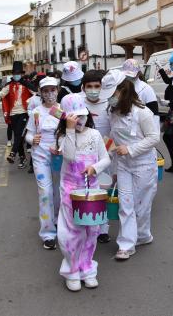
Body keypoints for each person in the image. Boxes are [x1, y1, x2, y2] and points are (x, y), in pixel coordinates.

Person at [56, 93, 111, 292]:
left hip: (92, 190)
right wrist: (70, 130)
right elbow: (70, 157)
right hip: (71, 191)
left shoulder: (95, 135)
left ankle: (87, 268)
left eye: (83, 115)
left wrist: (95, 168)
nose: (80, 120)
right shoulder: (64, 136)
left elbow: (106, 159)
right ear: (67, 118)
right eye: (75, 117)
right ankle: (71, 270)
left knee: (92, 230)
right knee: (72, 232)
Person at [105, 72, 160, 261]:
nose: (109, 98)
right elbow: (112, 139)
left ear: (122, 91)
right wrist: (111, 167)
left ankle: (143, 235)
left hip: (144, 164)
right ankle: (126, 244)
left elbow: (154, 138)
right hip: (123, 165)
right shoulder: (112, 112)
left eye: (112, 93)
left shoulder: (143, 113)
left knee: (142, 206)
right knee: (126, 204)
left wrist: (131, 149)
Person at [25, 77, 61, 250]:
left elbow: (73, 130)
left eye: (52, 90)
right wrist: (33, 139)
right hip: (40, 156)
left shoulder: (63, 109)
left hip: (60, 156)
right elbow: (28, 134)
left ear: (58, 90)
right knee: (45, 192)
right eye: (45, 91)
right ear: (41, 92)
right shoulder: (36, 112)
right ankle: (48, 233)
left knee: (60, 191)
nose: (49, 94)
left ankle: (61, 223)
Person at [82, 69, 111, 244]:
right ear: (83, 88)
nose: (93, 89)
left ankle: (103, 228)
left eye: (97, 86)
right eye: (89, 86)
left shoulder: (109, 103)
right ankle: (88, 224)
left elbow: (116, 127)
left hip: (107, 155)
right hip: (84, 156)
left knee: (104, 191)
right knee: (88, 191)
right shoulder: (78, 103)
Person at [0, 61, 35, 168]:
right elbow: (1, 95)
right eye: (14, 73)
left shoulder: (26, 84)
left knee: (18, 135)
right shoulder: (9, 86)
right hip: (13, 114)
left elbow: (36, 92)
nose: (16, 75)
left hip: (24, 113)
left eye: (18, 73)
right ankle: (22, 158)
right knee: (18, 137)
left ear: (21, 74)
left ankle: (12, 154)